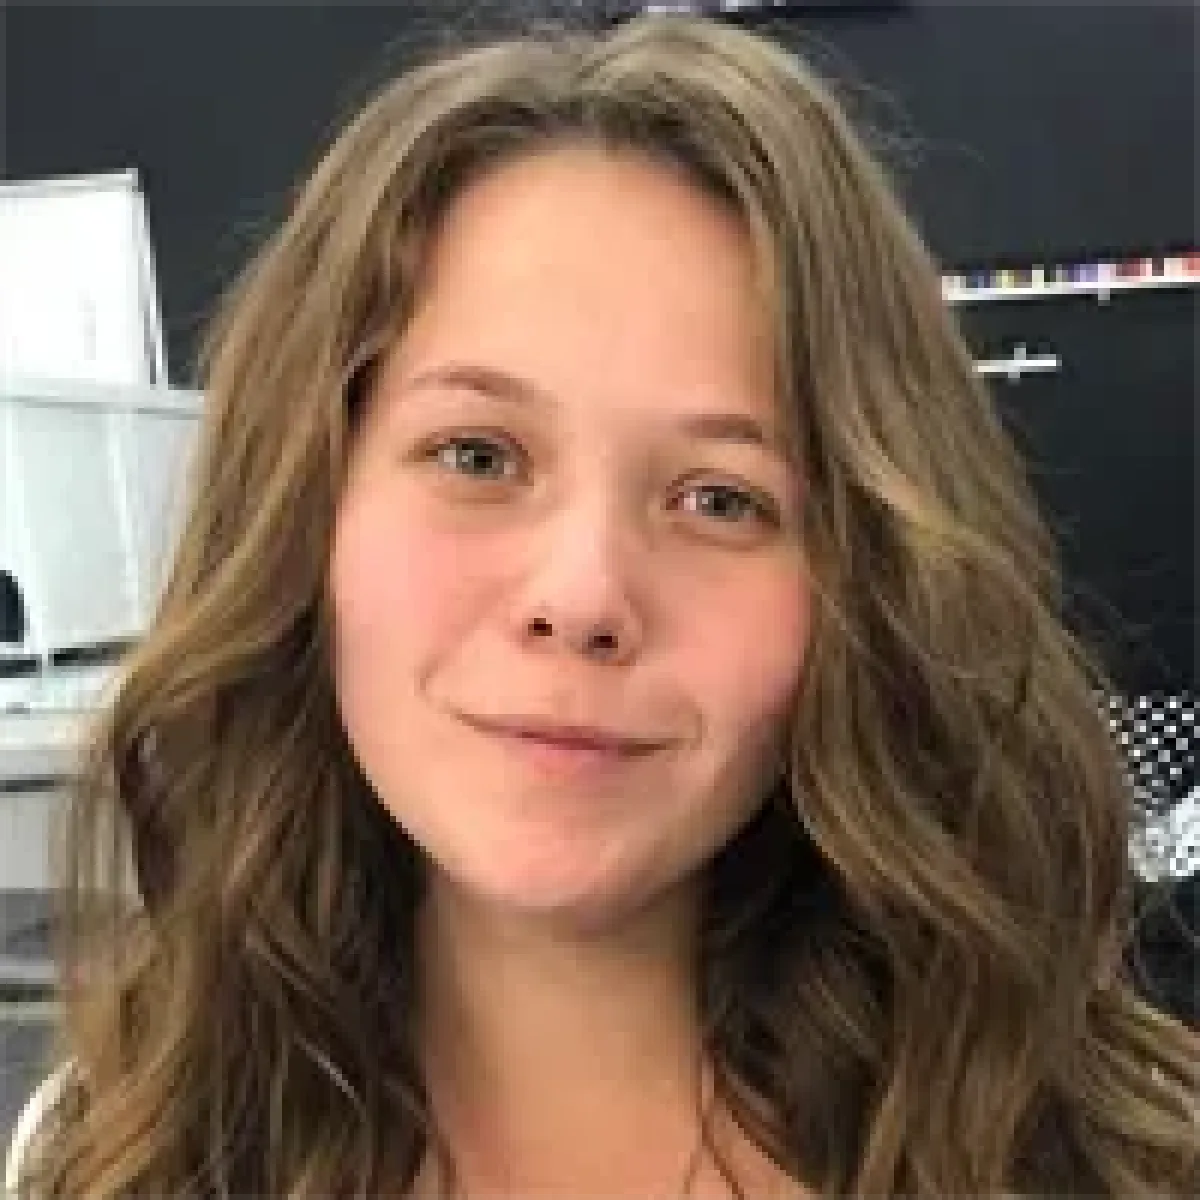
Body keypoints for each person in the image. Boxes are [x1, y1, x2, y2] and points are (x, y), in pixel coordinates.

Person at [8, 10, 1199, 1198]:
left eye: (720, 499)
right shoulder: (109, 1154)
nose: (581, 597)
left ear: (868, 585)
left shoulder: (1112, 1159)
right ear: (305, 510)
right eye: (478, 455)